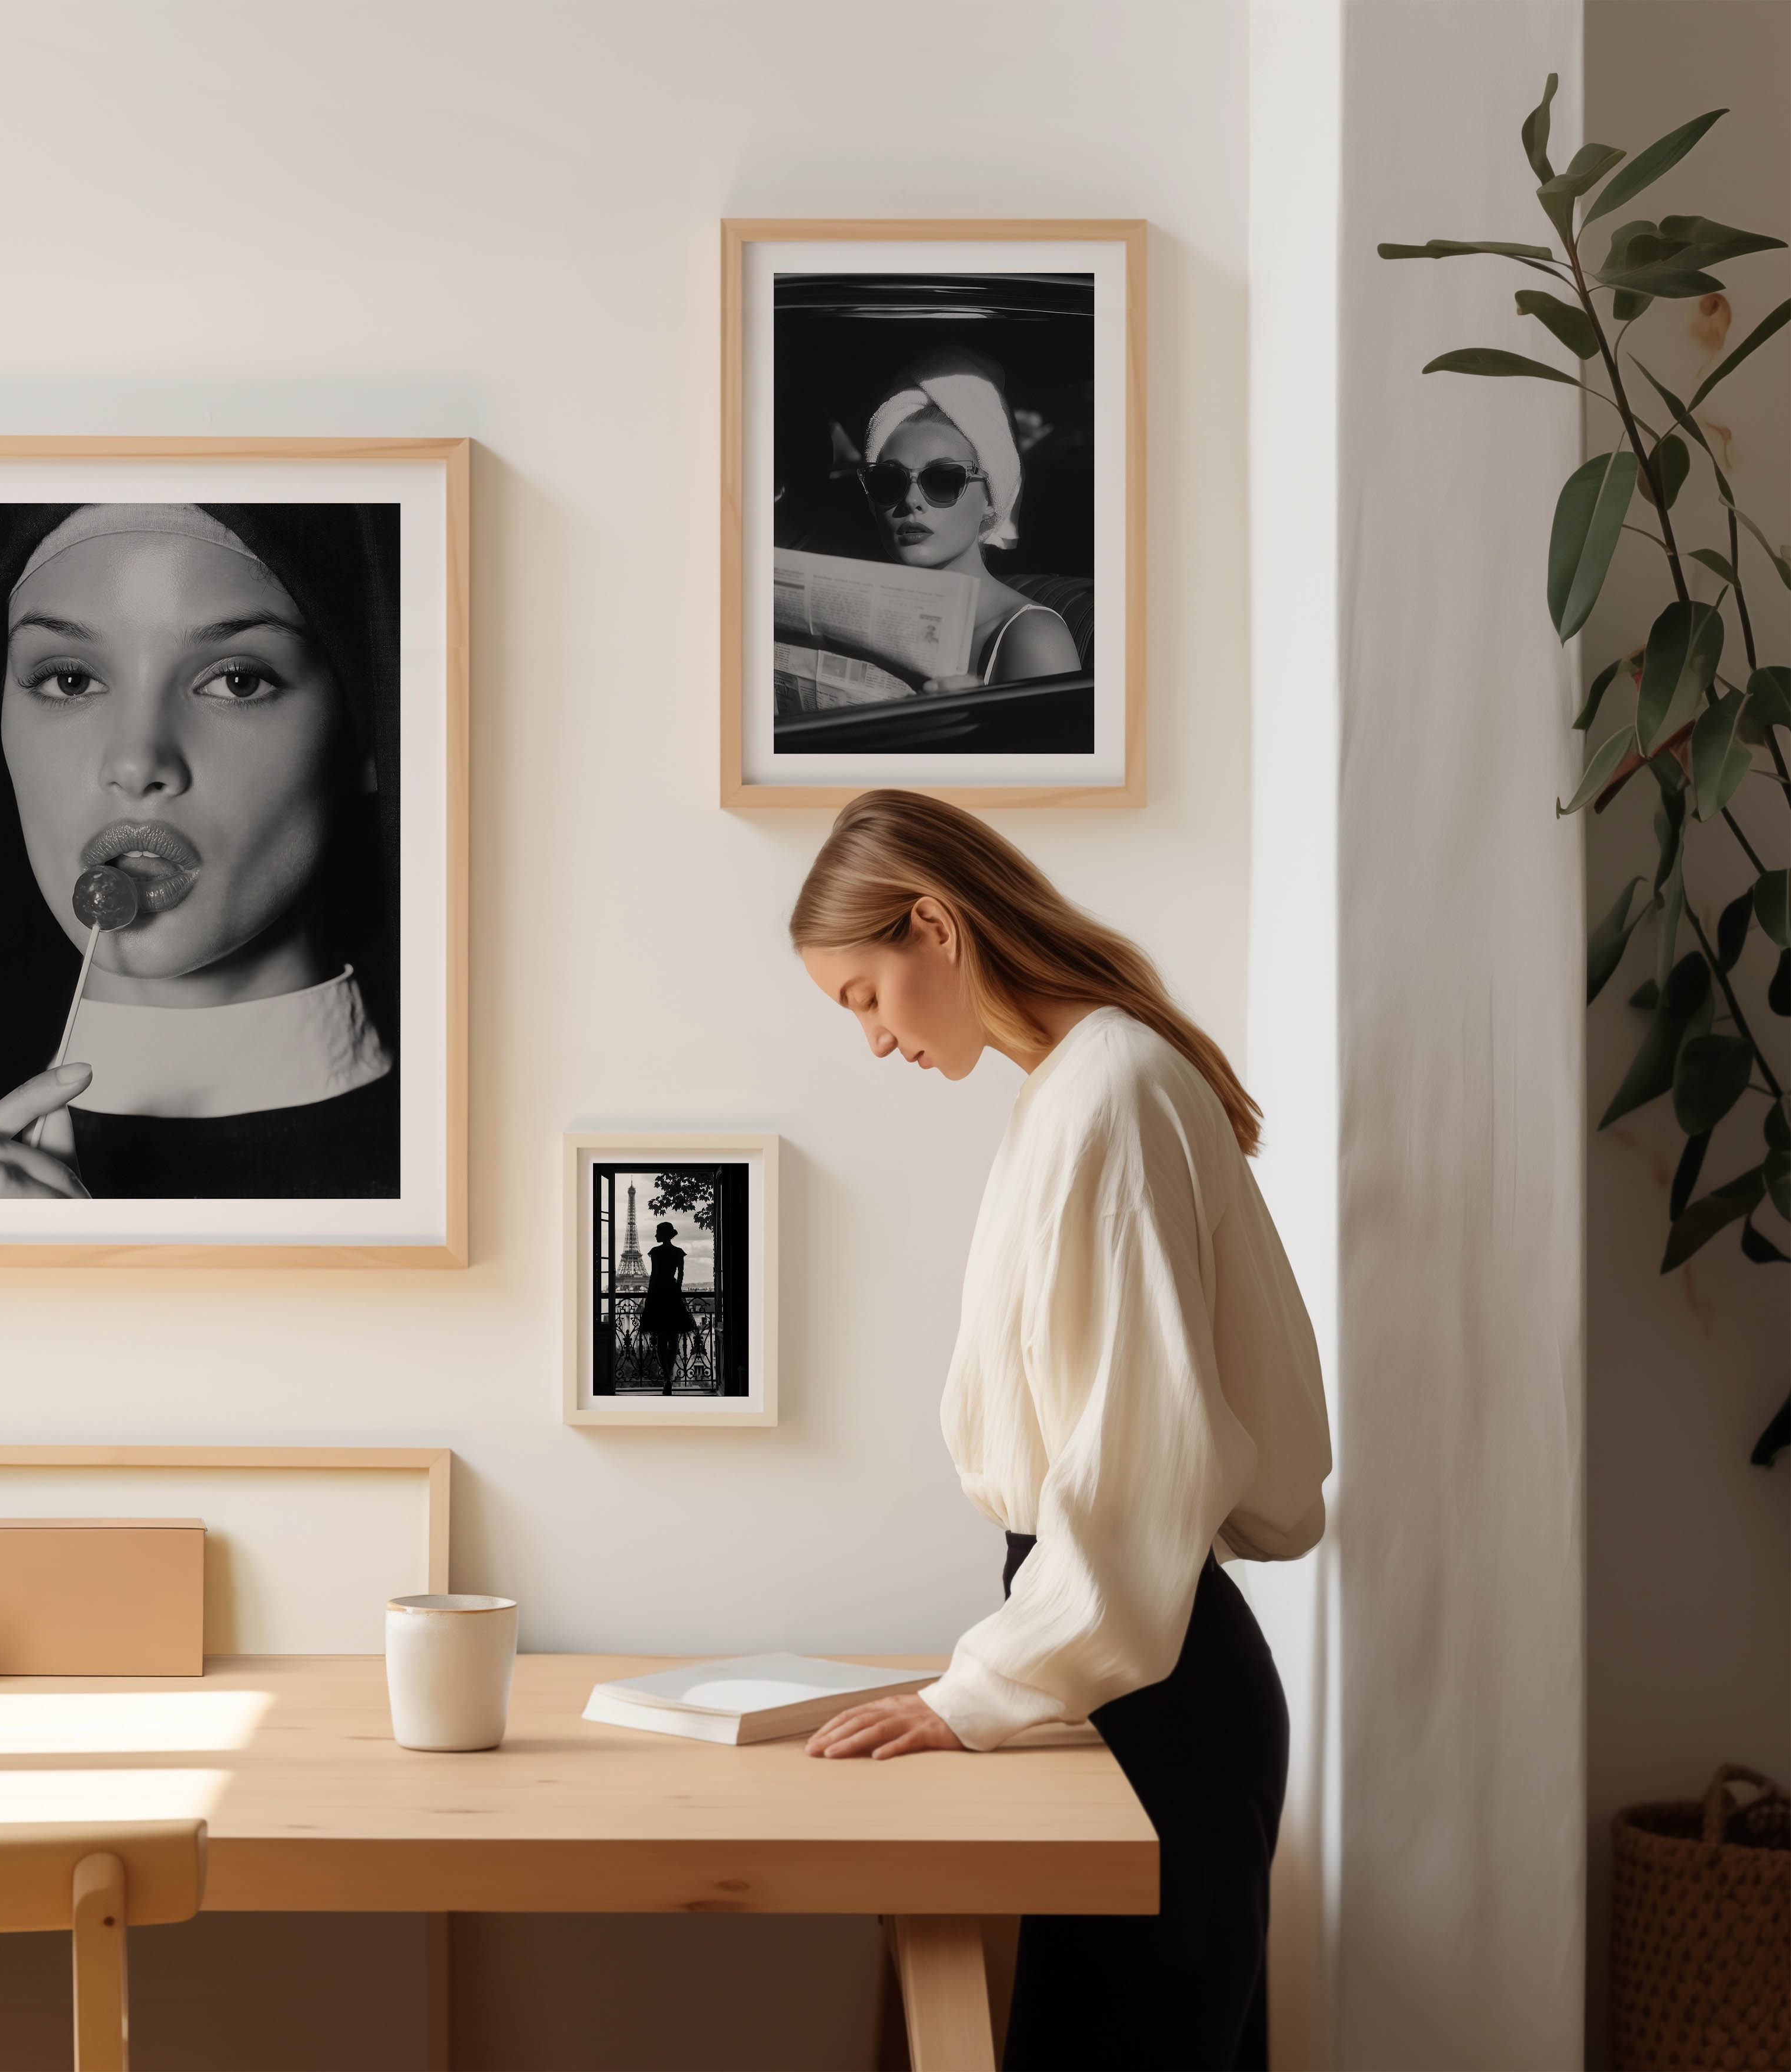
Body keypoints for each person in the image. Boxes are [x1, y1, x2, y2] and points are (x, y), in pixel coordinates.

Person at [792, 791, 1331, 2072]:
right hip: (1129, 1662)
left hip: (1154, 1684)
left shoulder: (1109, 1093)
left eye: (864, 994)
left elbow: (1142, 1460)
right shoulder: (1077, 1084)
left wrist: (974, 1691)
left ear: (933, 925)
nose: (871, 1040)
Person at [0, 502, 402, 1200]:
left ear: (368, 728)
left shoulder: (487, 1162)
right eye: (70, 679)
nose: (136, 761)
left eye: (238, 679)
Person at [858, 350, 1083, 692]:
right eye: (888, 482)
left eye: (943, 480)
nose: (911, 501)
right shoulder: (865, 623)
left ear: (991, 499)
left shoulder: (1032, 637)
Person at [638, 1220, 697, 1389]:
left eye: (657, 1232)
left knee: (661, 1341)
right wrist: (677, 1289)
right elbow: (681, 1273)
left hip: (659, 1295)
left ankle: (666, 1377)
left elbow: (654, 1275)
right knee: (673, 1339)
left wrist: (650, 1297)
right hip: (673, 1294)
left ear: (663, 1234)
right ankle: (670, 1374)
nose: (656, 1235)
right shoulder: (679, 1252)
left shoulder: (655, 1252)